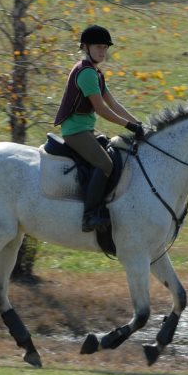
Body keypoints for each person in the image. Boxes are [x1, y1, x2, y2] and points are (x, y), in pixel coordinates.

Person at [54, 25, 146, 232]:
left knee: (115, 154)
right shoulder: (86, 73)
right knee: (105, 164)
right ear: (86, 47)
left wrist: (139, 124)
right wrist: (128, 125)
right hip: (75, 132)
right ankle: (89, 215)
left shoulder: (95, 73)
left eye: (105, 48)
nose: (102, 52)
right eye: (98, 47)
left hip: (87, 130)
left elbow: (114, 104)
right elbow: (101, 109)